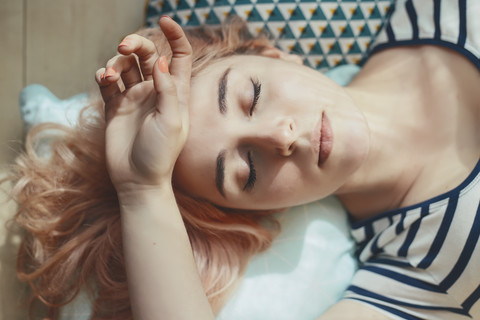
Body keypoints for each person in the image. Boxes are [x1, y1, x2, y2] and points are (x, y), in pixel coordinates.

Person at [8, 0, 480, 319]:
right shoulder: (420, 271)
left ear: (275, 55)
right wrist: (142, 192)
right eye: (247, 171)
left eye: (251, 96)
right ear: (261, 213)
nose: (281, 138)